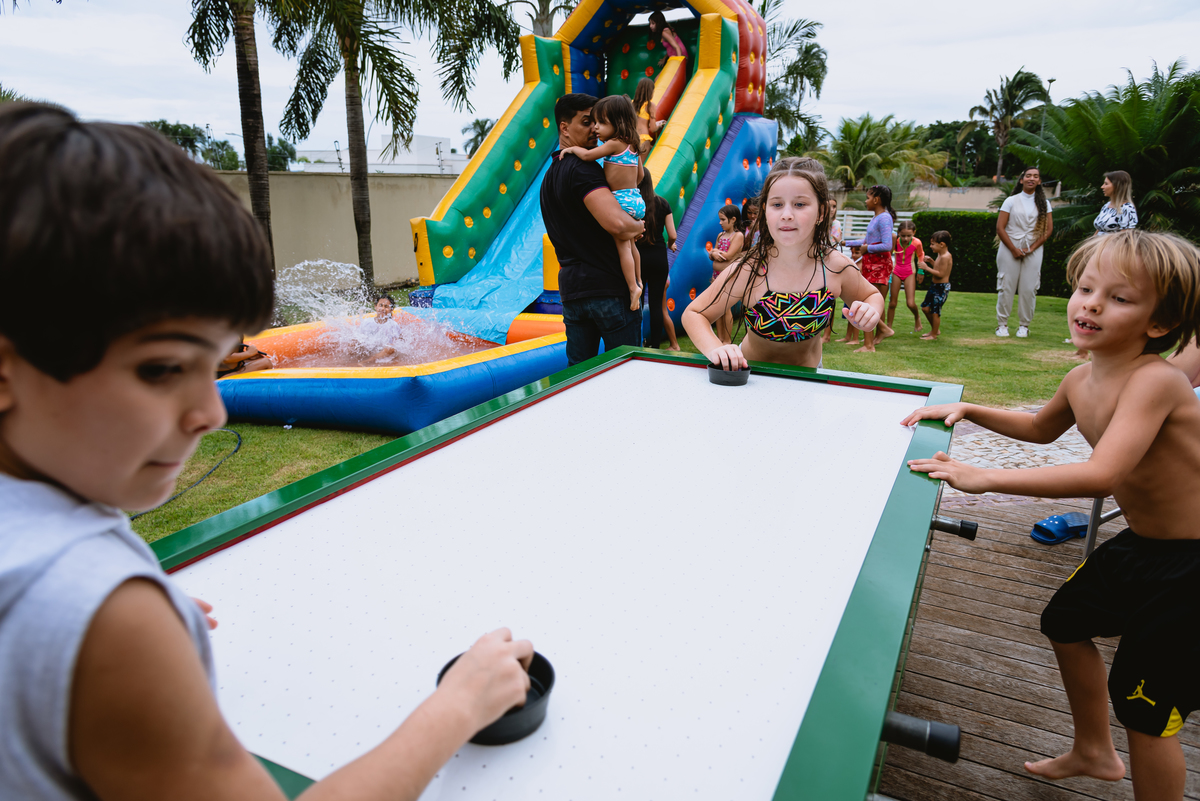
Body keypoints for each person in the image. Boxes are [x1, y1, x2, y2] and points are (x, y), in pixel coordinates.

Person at [0, 103, 535, 800]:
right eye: (161, 369)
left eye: (216, 366)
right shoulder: (111, 625)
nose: (211, 412)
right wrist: (458, 704)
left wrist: (114, 599)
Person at [903, 230, 1200, 799]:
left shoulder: (1156, 382)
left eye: (1119, 298)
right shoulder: (1080, 379)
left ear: (1159, 323)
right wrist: (971, 409)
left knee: (1145, 709)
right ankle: (1094, 750)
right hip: (1144, 544)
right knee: (1065, 622)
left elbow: (1101, 475)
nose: (1092, 304)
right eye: (1086, 289)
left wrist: (984, 477)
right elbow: (1040, 429)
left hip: (1189, 566)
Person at [681, 157, 884, 370]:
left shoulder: (835, 267)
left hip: (808, 379)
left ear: (822, 212)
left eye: (800, 204)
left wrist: (871, 311)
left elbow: (871, 295)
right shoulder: (749, 269)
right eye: (777, 204)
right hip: (752, 377)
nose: (786, 215)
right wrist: (715, 348)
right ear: (765, 211)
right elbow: (695, 314)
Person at [541, 94, 646, 366]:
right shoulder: (583, 169)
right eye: (587, 122)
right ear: (565, 128)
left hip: (572, 291)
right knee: (626, 372)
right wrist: (638, 226)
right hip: (607, 289)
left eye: (598, 121)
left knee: (577, 376)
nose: (595, 129)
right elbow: (617, 224)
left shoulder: (549, 177)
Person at [559, 94, 645, 312]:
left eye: (601, 123)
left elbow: (589, 156)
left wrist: (572, 149)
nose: (596, 128)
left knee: (623, 247)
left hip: (621, 200)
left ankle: (632, 287)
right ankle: (639, 279)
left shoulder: (613, 144)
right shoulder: (632, 145)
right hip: (635, 198)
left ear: (617, 123)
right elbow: (641, 176)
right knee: (632, 245)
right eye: (592, 122)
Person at [996, 166, 1053, 338]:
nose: (1032, 178)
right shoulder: (1011, 201)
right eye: (1028, 176)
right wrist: (1013, 249)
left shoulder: (1045, 204)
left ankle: (1024, 326)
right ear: (1021, 180)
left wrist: (1032, 248)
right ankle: (1002, 325)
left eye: (1035, 176)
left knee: (1029, 288)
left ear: (1039, 181)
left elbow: (1048, 230)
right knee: (1006, 286)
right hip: (1009, 247)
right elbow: (1000, 227)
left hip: (1033, 249)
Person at [843, 185, 897, 352]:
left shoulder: (884, 218)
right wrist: (846, 242)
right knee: (873, 301)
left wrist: (868, 249)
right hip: (871, 263)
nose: (865, 201)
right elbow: (867, 240)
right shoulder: (877, 217)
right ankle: (878, 334)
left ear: (876, 199)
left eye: (868, 198)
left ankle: (869, 345)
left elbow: (887, 245)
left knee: (869, 301)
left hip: (879, 265)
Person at [635, 170, 680, 350]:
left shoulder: (634, 204)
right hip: (658, 257)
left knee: (636, 303)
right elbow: (673, 234)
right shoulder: (662, 203)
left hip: (638, 257)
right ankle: (655, 346)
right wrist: (670, 244)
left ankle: (636, 342)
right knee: (656, 305)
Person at [708, 204, 744, 344]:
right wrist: (714, 253)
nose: (720, 222)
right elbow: (712, 254)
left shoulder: (738, 236)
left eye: (723, 219)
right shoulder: (720, 235)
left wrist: (714, 252)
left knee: (726, 307)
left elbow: (728, 256)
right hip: (716, 276)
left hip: (727, 277)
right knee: (717, 307)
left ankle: (727, 340)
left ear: (733, 219)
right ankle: (720, 338)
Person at [889, 220, 924, 333]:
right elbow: (889, 253)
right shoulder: (895, 242)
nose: (905, 238)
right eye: (903, 235)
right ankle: (888, 327)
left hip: (910, 272)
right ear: (898, 233)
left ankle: (917, 317)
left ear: (914, 233)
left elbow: (920, 255)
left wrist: (921, 271)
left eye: (909, 235)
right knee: (892, 303)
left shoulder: (916, 243)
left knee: (910, 303)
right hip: (896, 271)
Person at [918, 230, 953, 341]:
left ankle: (933, 335)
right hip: (934, 286)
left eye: (933, 244)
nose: (930, 246)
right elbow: (939, 268)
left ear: (941, 244)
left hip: (942, 287)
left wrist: (926, 268)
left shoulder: (945, 257)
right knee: (925, 308)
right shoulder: (940, 255)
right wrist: (932, 262)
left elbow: (941, 274)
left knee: (935, 312)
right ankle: (935, 329)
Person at [1094, 170, 1138, 236]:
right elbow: (1099, 230)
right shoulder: (1106, 206)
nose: (1102, 187)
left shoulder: (1127, 208)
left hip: (1112, 242)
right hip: (1099, 242)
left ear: (1117, 186)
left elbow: (1125, 236)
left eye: (1106, 184)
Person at [633, 77, 664, 158]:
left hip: (632, 140)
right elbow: (653, 128)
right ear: (650, 91)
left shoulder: (631, 104)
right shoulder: (650, 105)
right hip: (643, 139)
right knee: (642, 166)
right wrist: (660, 125)